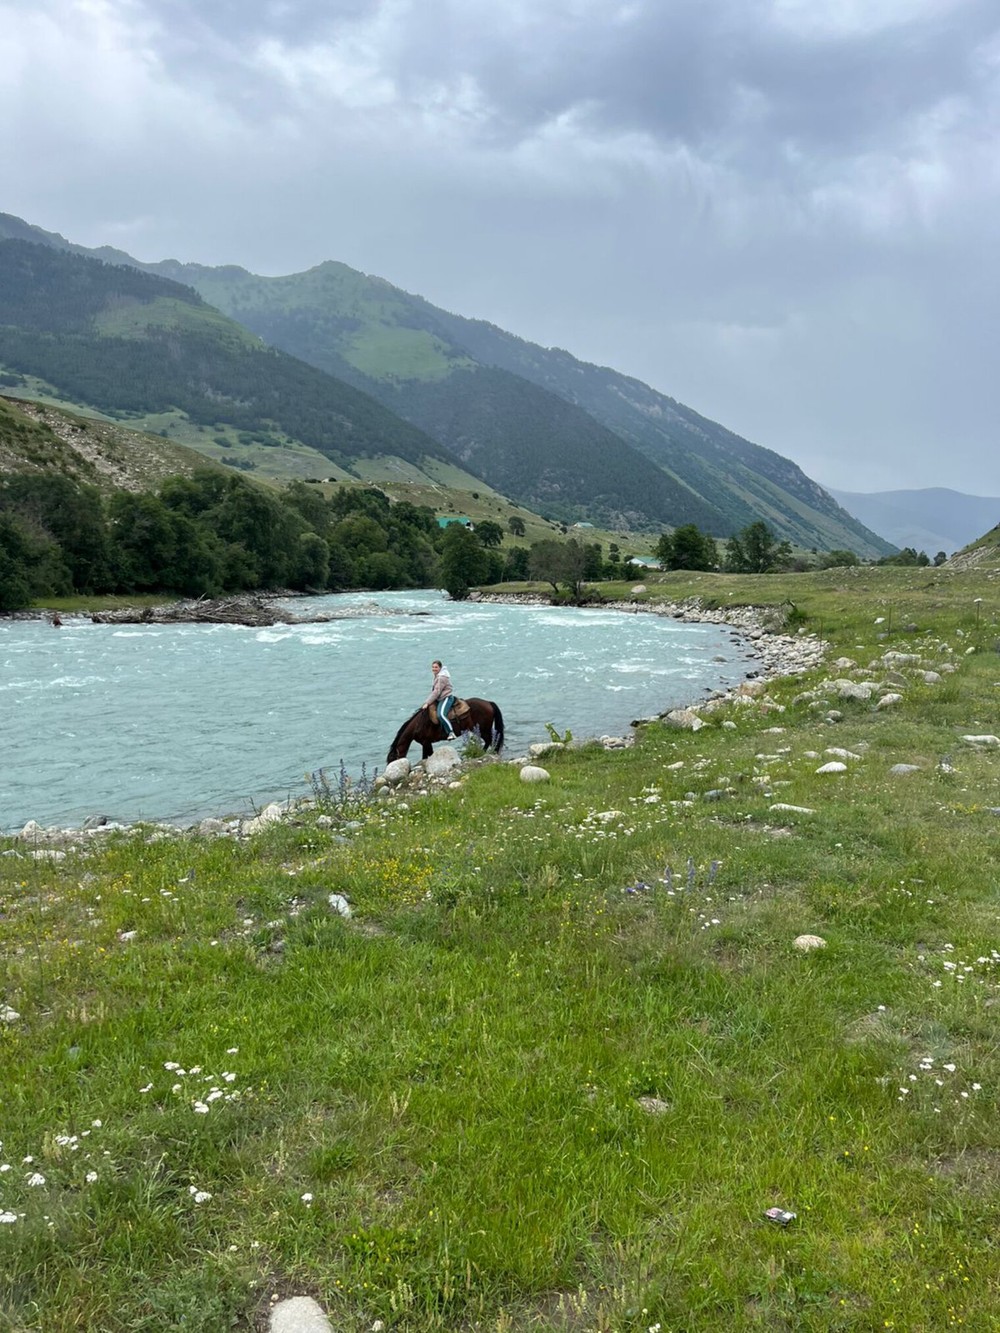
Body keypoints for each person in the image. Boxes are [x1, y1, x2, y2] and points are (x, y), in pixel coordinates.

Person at [424, 659, 458, 741]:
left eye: (436, 667)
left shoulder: (441, 678)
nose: (434, 669)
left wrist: (427, 703)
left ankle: (451, 732)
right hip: (440, 698)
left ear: (440, 668)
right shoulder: (437, 675)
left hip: (446, 698)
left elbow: (437, 691)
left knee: (441, 715)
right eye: (433, 667)